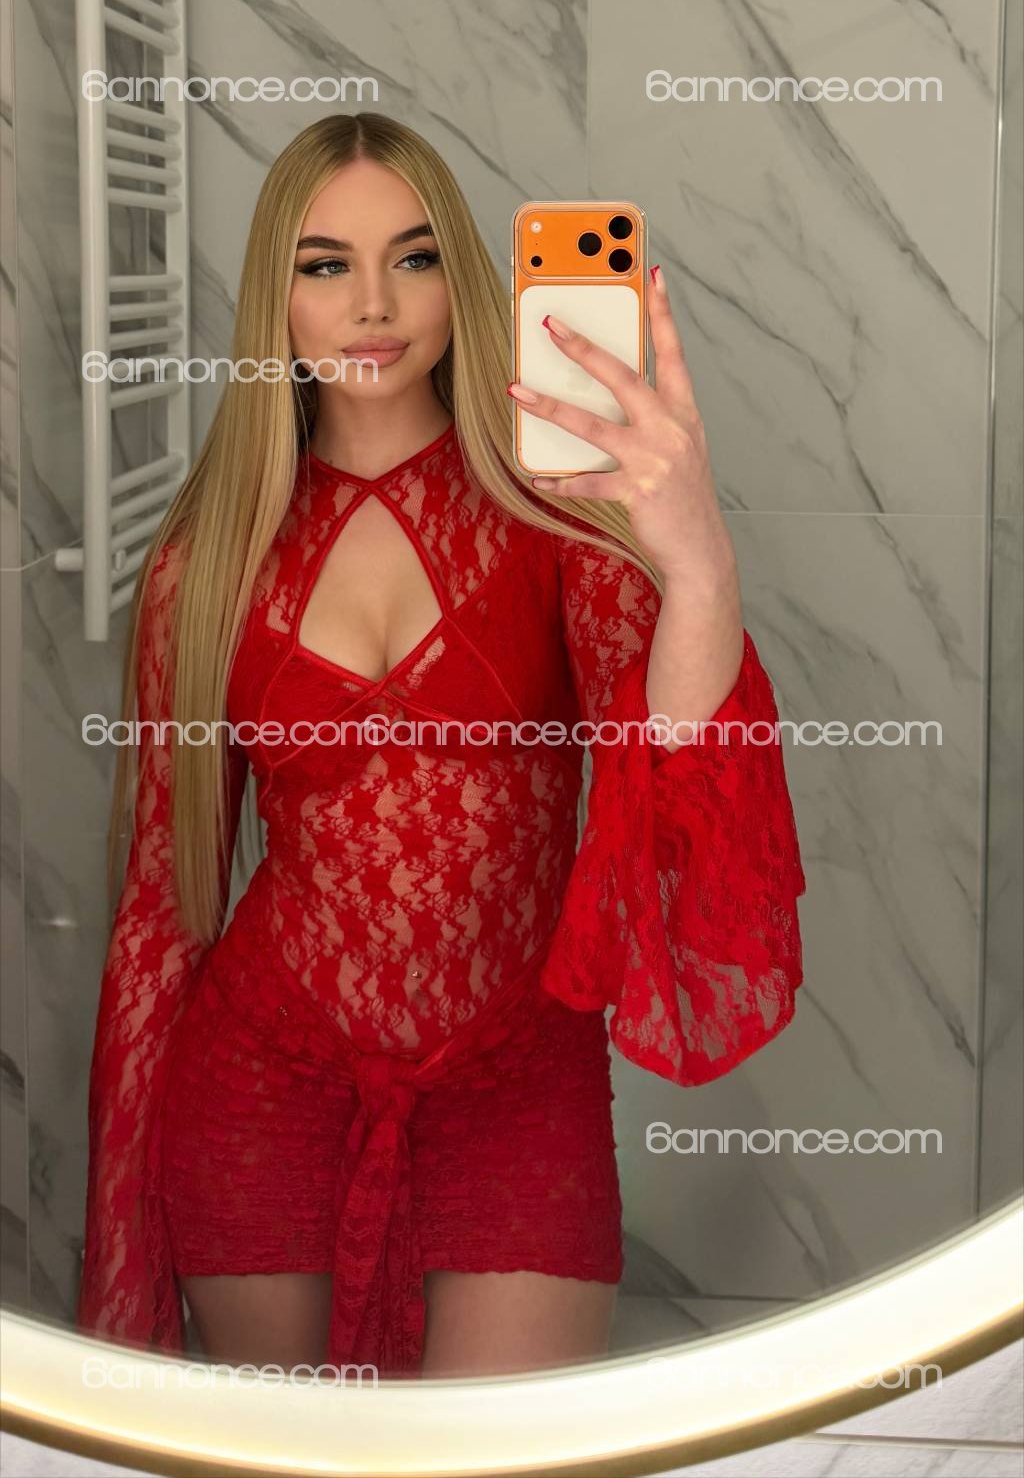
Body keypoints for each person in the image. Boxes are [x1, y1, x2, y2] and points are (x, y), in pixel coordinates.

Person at [76, 112, 806, 1380]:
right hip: (259, 1085)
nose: (372, 304)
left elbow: (670, 769)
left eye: (412, 258)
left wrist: (696, 558)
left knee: (502, 1459)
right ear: (275, 300)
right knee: (292, 1467)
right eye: (325, 265)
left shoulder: (552, 524)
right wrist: (119, 1251)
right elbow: (158, 913)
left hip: (517, 1090)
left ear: (459, 281)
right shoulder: (205, 562)